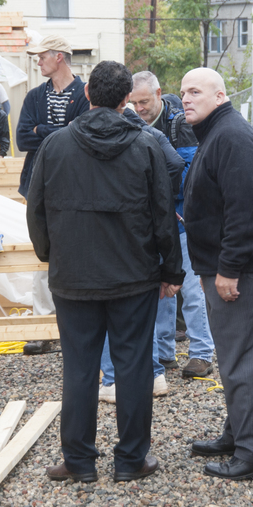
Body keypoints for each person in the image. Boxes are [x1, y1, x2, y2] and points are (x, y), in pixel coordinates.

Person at [26, 60, 184, 484]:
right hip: (132, 277)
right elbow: (162, 216)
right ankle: (131, 459)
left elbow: (35, 209)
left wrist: (49, 255)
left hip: (75, 276)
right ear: (124, 100)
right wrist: (171, 270)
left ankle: (79, 460)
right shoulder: (146, 145)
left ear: (89, 95)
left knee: (79, 368)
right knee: (133, 367)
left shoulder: (56, 145)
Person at [182, 67, 253, 481]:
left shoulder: (233, 138)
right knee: (235, 358)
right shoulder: (219, 134)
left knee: (239, 360)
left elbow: (246, 211)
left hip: (242, 270)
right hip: (233, 265)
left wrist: (228, 270)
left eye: (195, 91)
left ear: (220, 96)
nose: (186, 98)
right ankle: (239, 433)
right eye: (183, 92)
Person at [128, 69, 215, 381]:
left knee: (191, 290)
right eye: (133, 102)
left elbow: (192, 173)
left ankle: (202, 353)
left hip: (181, 222)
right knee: (161, 293)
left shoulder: (180, 125)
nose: (139, 108)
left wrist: (161, 194)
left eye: (144, 101)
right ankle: (164, 354)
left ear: (158, 93)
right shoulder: (132, 126)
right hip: (151, 226)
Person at [97, 106, 185, 402]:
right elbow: (175, 163)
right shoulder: (152, 134)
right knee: (144, 313)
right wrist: (158, 190)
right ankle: (155, 374)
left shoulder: (102, 138)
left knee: (110, 310)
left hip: (113, 237)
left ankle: (111, 379)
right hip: (147, 235)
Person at [17, 34, 90, 355]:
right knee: (41, 255)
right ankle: (42, 326)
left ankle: (73, 325)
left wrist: (42, 131)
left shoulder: (86, 93)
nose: (38, 60)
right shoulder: (35, 96)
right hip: (39, 184)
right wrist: (62, 130)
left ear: (59, 56)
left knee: (78, 253)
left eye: (42, 55)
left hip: (76, 186)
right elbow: (22, 137)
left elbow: (85, 133)